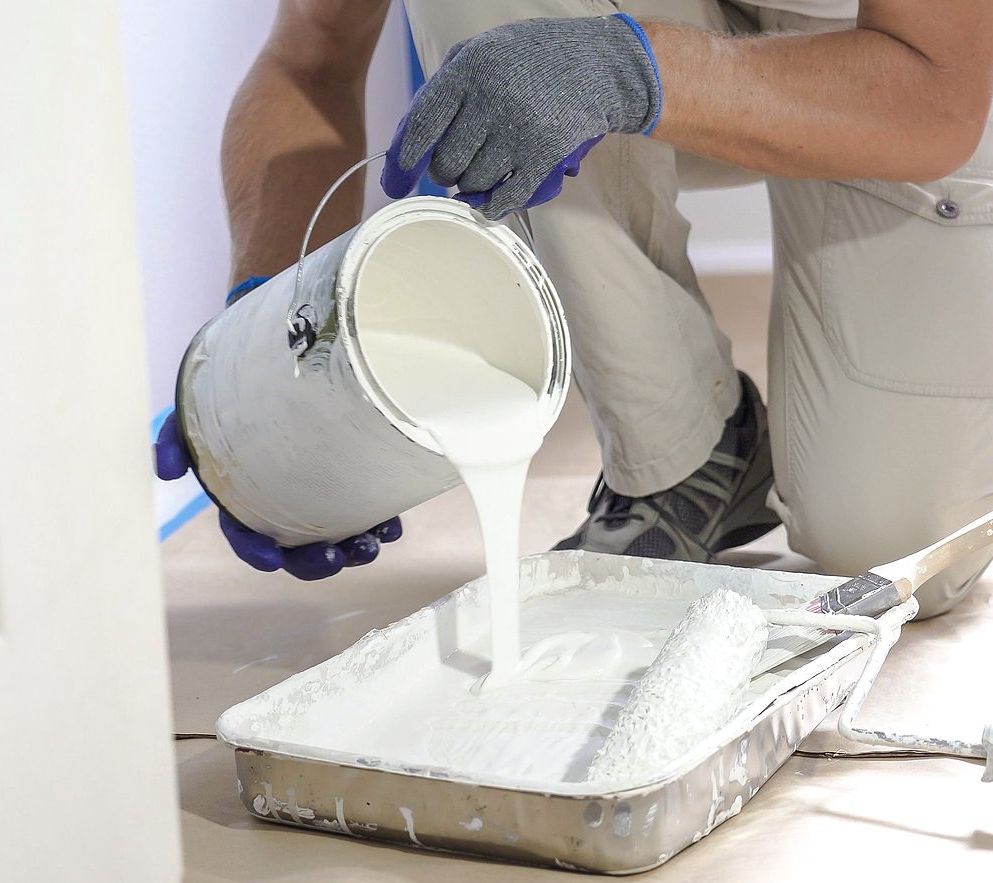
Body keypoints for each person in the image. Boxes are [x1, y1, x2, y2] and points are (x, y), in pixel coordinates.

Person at [156, 0, 993, 618]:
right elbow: (313, 55)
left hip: (922, 76)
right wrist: (267, 335)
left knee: (890, 549)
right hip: (682, 32)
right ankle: (684, 457)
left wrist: (627, 71)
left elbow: (934, 94)